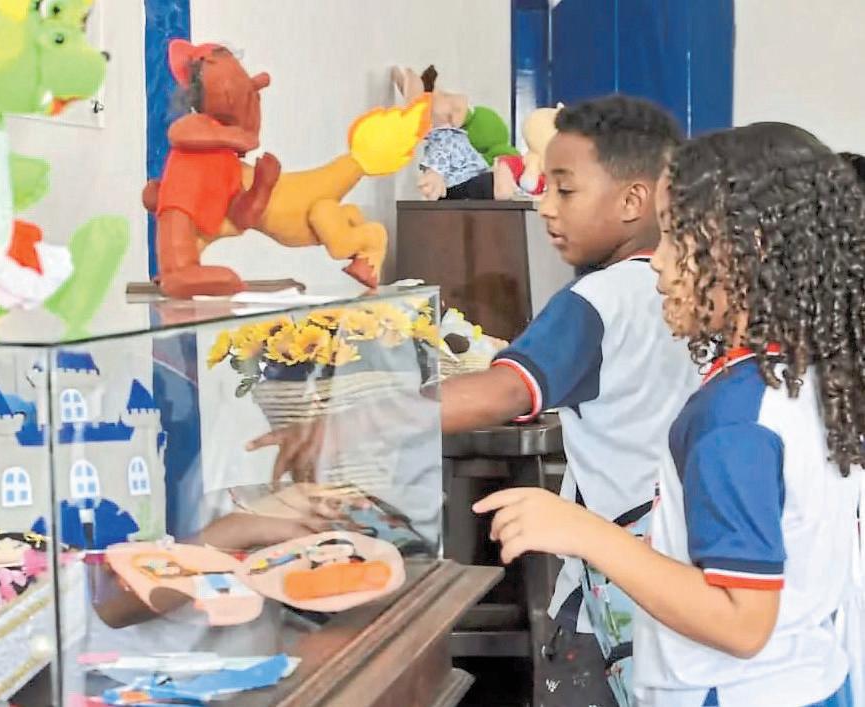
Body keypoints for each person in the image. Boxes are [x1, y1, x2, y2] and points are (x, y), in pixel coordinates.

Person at [251, 95, 702, 705]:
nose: (544, 206)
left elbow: (505, 390)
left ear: (633, 200)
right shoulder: (691, 287)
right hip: (680, 569)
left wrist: (349, 423)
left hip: (619, 576)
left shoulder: (597, 300)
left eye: (565, 190)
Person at [476, 122, 863, 706]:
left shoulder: (734, 420)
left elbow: (741, 622)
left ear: (748, 250)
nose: (656, 262)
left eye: (676, 238)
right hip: (808, 681)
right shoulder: (807, 376)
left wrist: (584, 531)